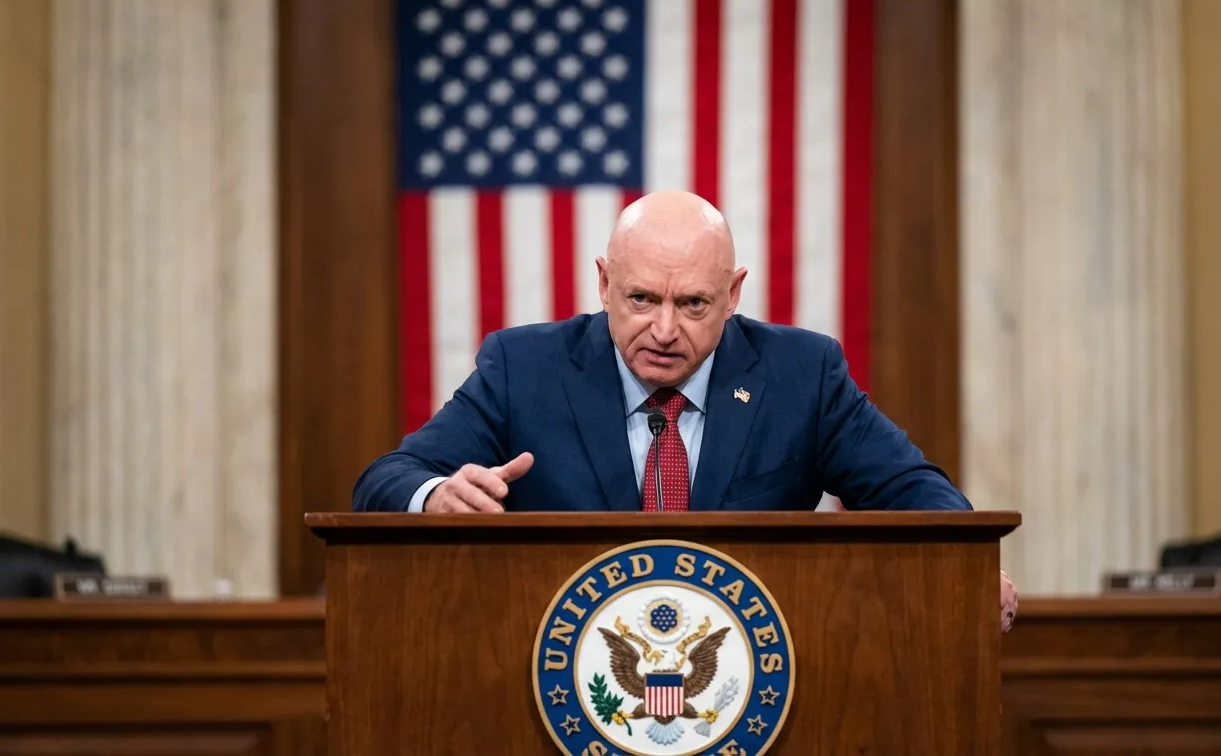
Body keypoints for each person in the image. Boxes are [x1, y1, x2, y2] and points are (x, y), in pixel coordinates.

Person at [354, 190, 1018, 629]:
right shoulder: (523, 369)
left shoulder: (801, 375)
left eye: (693, 304)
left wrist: (965, 568)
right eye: (642, 299)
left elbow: (914, 492)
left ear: (733, 295)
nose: (665, 330)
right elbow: (385, 481)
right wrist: (437, 493)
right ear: (604, 283)